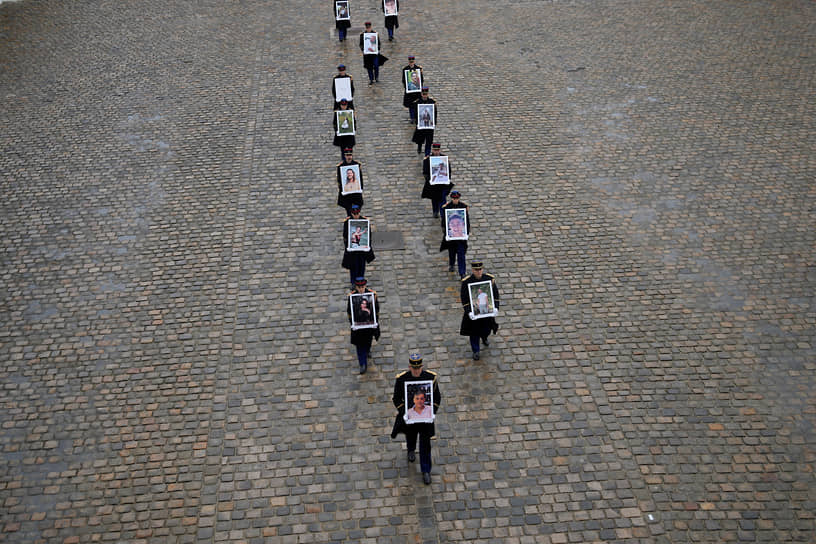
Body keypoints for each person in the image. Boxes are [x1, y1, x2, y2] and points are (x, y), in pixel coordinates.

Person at [391, 353, 441, 484]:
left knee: (425, 444)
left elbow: (437, 399)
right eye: (414, 369)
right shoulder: (402, 379)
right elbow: (396, 399)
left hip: (425, 420)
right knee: (411, 436)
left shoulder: (430, 377)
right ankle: (411, 449)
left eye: (419, 368)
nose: (417, 371)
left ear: (422, 367)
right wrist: (405, 412)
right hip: (410, 418)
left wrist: (432, 413)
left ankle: (426, 470)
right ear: (409, 367)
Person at [460, 261, 500, 360]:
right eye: (476, 270)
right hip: (474, 312)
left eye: (480, 269)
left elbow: (495, 295)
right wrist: (469, 311)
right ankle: (476, 350)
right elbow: (464, 298)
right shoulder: (466, 282)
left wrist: (496, 307)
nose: (478, 272)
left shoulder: (489, 279)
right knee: (474, 332)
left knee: (486, 329)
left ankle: (484, 337)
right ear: (472, 270)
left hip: (486, 310)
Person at [347, 277, 381, 374]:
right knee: (359, 344)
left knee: (368, 340)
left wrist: (375, 321)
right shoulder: (352, 296)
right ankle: (362, 363)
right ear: (356, 287)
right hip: (358, 326)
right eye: (359, 287)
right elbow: (349, 312)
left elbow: (376, 309)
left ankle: (367, 350)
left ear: (365, 285)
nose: (361, 289)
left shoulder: (372, 294)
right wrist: (352, 323)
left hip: (369, 325)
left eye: (362, 287)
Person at [439, 190, 470, 278]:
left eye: (457, 198)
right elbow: (444, 221)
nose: (455, 200)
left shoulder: (463, 206)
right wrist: (446, 232)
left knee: (461, 254)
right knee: (452, 252)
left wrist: (466, 233)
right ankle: (452, 264)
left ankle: (462, 272)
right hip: (451, 236)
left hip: (460, 237)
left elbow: (466, 221)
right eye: (454, 198)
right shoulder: (447, 207)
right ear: (451, 198)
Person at [342, 204, 375, 285]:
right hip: (353, 249)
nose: (356, 216)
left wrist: (367, 245)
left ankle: (360, 280)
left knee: (361, 265)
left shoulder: (364, 221)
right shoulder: (347, 222)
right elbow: (345, 235)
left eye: (357, 213)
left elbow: (368, 234)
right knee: (353, 266)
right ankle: (354, 283)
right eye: (354, 214)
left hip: (362, 249)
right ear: (351, 213)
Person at [421, 143, 454, 218]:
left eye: (438, 150)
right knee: (434, 198)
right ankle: (435, 211)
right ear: (432, 150)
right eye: (435, 150)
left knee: (443, 198)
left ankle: (443, 214)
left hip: (442, 183)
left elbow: (448, 170)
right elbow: (425, 172)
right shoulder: (428, 159)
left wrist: (447, 179)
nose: (436, 152)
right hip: (433, 183)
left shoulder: (444, 158)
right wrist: (430, 179)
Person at [411, 87, 436, 156]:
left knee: (429, 141)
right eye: (423, 94)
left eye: (426, 94)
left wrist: (434, 122)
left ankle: (427, 154)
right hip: (421, 124)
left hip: (429, 126)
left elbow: (434, 113)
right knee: (420, 139)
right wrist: (417, 122)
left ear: (427, 94)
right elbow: (416, 113)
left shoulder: (432, 102)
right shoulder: (417, 102)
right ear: (421, 94)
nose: (424, 95)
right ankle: (419, 147)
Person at [337, 149, 364, 214]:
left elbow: (360, 178)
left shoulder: (357, 165)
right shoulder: (341, 166)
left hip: (356, 194)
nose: (349, 157)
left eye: (350, 155)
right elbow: (339, 180)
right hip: (347, 195)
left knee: (357, 211)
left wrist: (360, 189)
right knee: (349, 212)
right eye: (347, 155)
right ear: (345, 156)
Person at [402, 56, 424, 123]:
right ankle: (412, 118)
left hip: (417, 91)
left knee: (417, 104)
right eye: (410, 61)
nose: (411, 62)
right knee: (411, 105)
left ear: (414, 61)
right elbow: (403, 80)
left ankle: (416, 117)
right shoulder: (405, 69)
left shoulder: (418, 69)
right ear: (408, 61)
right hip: (410, 91)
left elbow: (422, 80)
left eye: (412, 61)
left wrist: (419, 87)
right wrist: (407, 87)